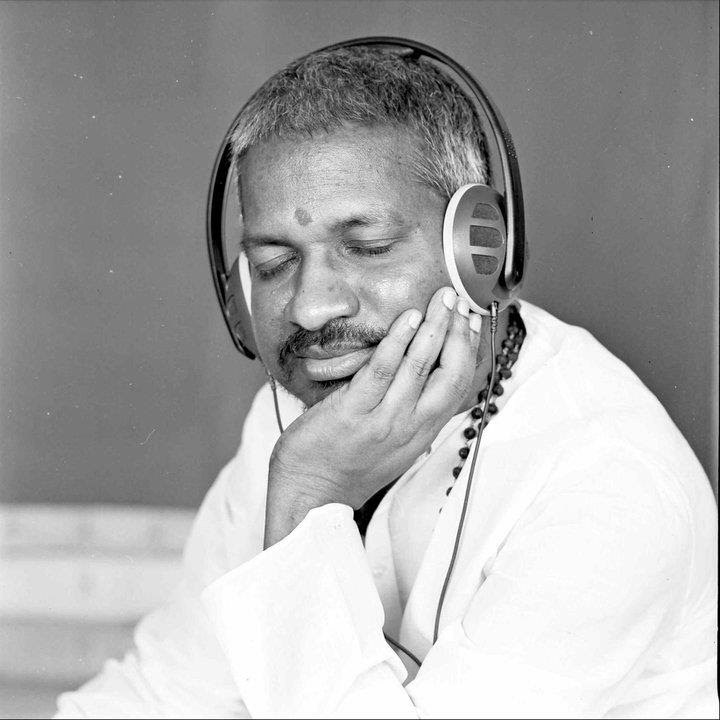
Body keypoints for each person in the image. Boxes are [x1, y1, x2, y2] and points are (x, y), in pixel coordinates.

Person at [56, 44, 717, 718]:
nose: (312, 308)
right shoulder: (295, 422)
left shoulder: (611, 481)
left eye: (367, 248)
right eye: (275, 263)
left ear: (479, 251)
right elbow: (161, 695)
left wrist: (306, 496)